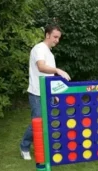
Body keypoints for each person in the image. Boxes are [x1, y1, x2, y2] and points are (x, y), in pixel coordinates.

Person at [20, 24, 71, 160]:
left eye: (58, 38)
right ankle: (24, 146)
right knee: (38, 121)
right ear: (47, 35)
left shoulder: (49, 53)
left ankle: (40, 147)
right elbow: (41, 67)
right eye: (55, 37)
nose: (57, 40)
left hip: (47, 92)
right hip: (37, 92)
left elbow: (49, 77)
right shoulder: (39, 48)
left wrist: (54, 93)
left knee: (45, 122)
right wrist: (57, 70)